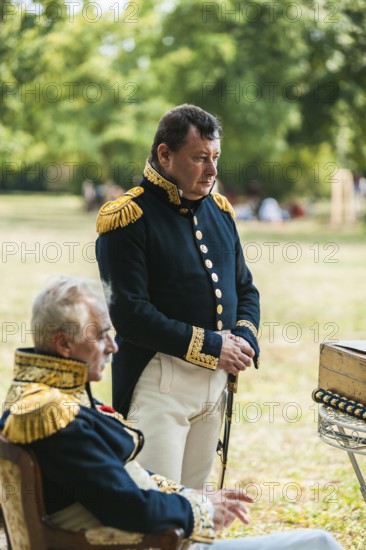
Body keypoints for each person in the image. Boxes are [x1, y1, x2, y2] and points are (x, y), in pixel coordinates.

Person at [0, 276, 344, 550]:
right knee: (320, 543)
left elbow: (111, 485)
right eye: (102, 335)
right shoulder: (56, 414)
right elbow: (127, 506)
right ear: (63, 344)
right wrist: (203, 510)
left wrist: (190, 496)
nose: (113, 346)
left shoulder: (35, 399)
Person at [96, 104, 260, 489]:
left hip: (215, 382)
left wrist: (244, 340)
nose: (212, 170)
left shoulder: (220, 212)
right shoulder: (128, 216)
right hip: (158, 383)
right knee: (158, 504)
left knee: (199, 503)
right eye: (200, 158)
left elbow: (245, 289)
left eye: (215, 157)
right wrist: (211, 345)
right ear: (165, 155)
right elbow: (131, 314)